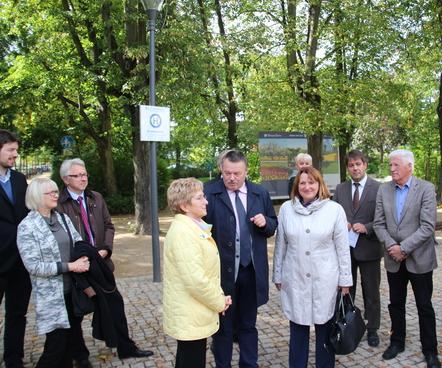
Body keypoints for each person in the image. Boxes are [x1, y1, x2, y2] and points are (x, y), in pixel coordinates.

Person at [57, 158, 153, 366]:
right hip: (78, 268)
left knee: (115, 304)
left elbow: (109, 226)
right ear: (65, 179)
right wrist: (77, 260)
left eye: (85, 174)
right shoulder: (59, 204)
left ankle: (126, 348)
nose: (83, 178)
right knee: (77, 311)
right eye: (77, 175)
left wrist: (105, 249)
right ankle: (80, 356)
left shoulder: (96, 198)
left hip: (101, 264)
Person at [204, 149, 278, 368]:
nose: (232, 178)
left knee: (248, 324)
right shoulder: (209, 193)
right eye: (227, 173)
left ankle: (249, 364)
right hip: (222, 272)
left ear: (246, 171)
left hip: (251, 271)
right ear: (221, 170)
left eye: (237, 173)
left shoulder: (259, 193)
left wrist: (266, 222)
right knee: (224, 326)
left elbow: (273, 225)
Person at [273, 166, 352, 368]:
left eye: (312, 182)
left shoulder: (334, 210)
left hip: (325, 279)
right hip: (295, 276)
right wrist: (278, 275)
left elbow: (343, 248)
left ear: (320, 184)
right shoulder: (286, 209)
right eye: (303, 183)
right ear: (296, 186)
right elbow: (281, 245)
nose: (307, 186)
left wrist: (345, 280)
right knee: (298, 330)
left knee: (325, 330)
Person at [373, 149, 441, 368]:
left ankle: (430, 350)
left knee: (424, 305)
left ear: (410, 166)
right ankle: (397, 341)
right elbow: (378, 224)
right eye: (390, 165)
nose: (391, 169)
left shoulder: (426, 189)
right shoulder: (384, 190)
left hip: (419, 258)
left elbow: (428, 226)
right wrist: (392, 246)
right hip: (393, 259)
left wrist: (404, 248)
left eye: (396, 165)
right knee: (396, 304)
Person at [16, 178, 90, 367]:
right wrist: (69, 266)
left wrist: (84, 257)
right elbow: (33, 266)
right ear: (37, 197)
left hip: (71, 292)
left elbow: (78, 242)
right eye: (51, 193)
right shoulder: (27, 226)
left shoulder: (62, 218)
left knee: (69, 345)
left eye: (56, 191)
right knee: (55, 347)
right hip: (50, 297)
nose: (56, 195)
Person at [163, 178, 232, 368]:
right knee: (191, 360)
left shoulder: (193, 227)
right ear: (185, 206)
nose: (206, 201)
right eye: (199, 198)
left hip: (194, 312)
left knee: (188, 359)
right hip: (190, 313)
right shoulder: (183, 233)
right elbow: (196, 280)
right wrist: (219, 302)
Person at [333, 150, 382, 347]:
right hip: (345, 250)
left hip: (369, 248)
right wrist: (341, 223)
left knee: (371, 292)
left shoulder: (378, 188)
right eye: (351, 165)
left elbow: (383, 217)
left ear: (365, 165)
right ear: (347, 168)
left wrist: (367, 227)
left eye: (358, 164)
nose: (355, 168)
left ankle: (372, 329)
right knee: (346, 290)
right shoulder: (340, 188)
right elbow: (333, 214)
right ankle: (346, 325)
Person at [0, 129, 32, 368]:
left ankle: (14, 359)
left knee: (17, 313)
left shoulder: (20, 180)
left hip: (20, 260)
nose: (15, 154)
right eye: (10, 150)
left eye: (16, 150)